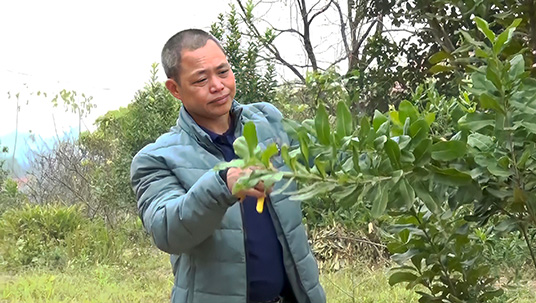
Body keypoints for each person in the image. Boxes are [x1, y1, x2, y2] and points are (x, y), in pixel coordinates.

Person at [130, 28, 325, 303]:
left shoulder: (268, 121)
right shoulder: (157, 158)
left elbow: (324, 160)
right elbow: (167, 230)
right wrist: (223, 184)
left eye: (223, 72)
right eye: (201, 79)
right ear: (175, 89)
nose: (218, 85)